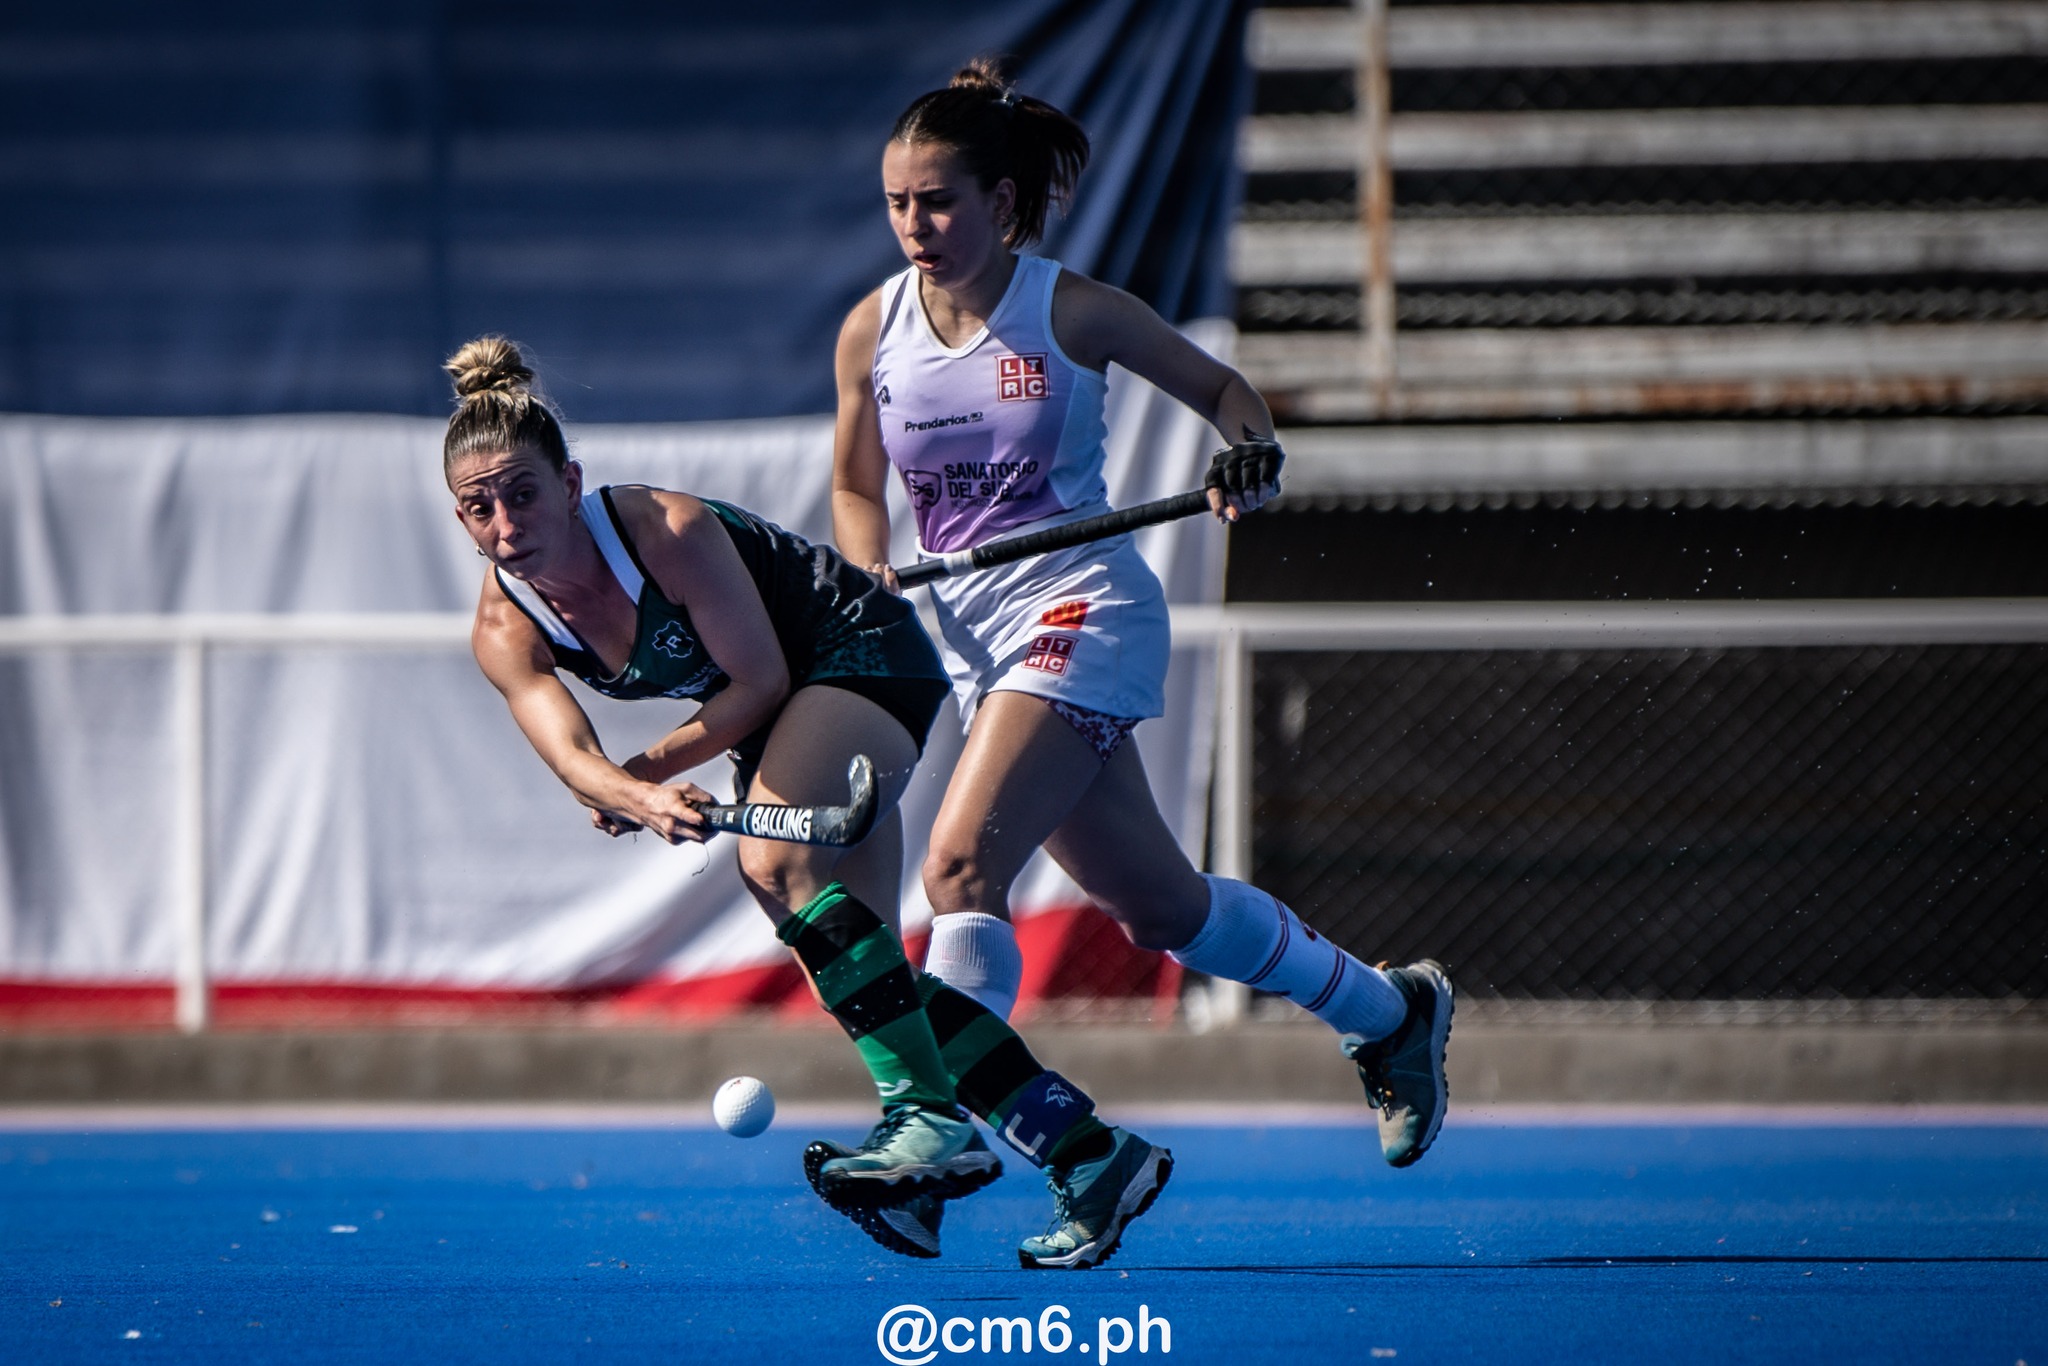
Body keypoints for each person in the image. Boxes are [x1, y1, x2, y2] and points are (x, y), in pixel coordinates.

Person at [830, 60, 1456, 1242]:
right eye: (899, 203)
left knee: (957, 869)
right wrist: (865, 562)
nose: (917, 225)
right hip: (976, 642)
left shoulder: (1073, 310)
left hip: (1080, 610)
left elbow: (1229, 397)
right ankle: (1388, 1013)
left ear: (1002, 201)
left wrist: (1247, 455)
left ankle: (953, 1134)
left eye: (941, 201)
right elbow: (854, 485)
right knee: (1161, 906)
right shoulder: (873, 328)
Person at [443, 336, 1161, 1268]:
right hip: (784, 716)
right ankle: (1089, 1152)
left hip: (858, 655)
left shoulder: (665, 530)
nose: (505, 524)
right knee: (851, 961)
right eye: (478, 507)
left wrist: (648, 781)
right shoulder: (504, 629)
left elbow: (758, 679)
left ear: (571, 481)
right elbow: (573, 758)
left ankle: (924, 1123)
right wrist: (625, 789)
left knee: (772, 865)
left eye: (523, 493)